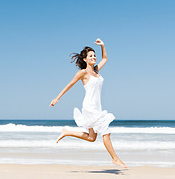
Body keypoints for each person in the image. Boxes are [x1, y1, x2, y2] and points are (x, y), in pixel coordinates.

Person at [50, 38, 127, 168]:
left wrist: (102, 45)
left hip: (97, 106)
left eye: (94, 55)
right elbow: (70, 85)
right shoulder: (83, 73)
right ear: (85, 59)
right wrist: (57, 98)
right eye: (91, 56)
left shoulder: (96, 70)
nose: (94, 57)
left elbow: (105, 59)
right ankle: (115, 158)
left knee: (92, 138)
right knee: (106, 132)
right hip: (90, 107)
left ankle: (67, 132)